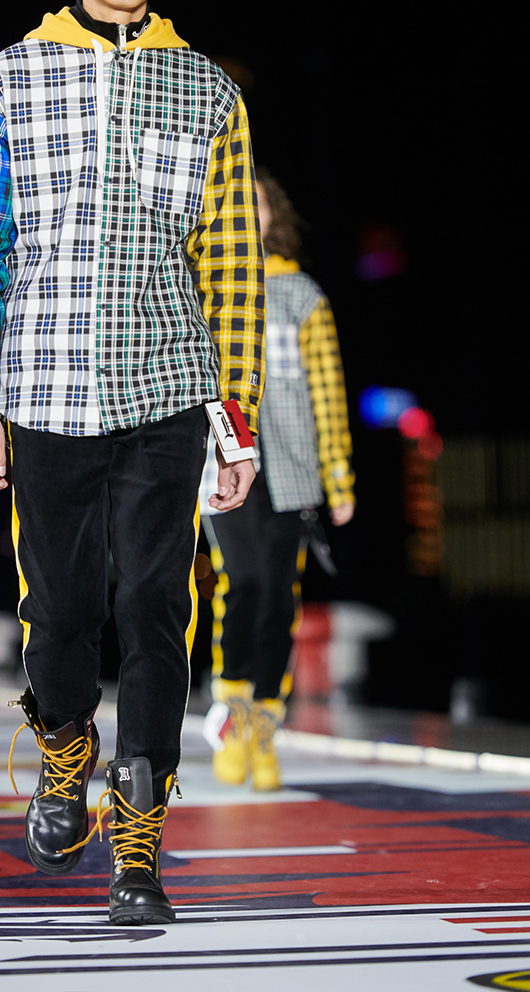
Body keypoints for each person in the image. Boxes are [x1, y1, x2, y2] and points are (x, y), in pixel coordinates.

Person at [0, 0, 265, 925]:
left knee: (156, 609)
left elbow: (231, 266)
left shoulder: (207, 91)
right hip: (42, 388)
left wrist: (236, 422)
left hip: (167, 386)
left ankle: (138, 845)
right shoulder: (5, 79)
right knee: (61, 609)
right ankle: (63, 749)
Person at [200, 168, 355, 791]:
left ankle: (265, 724)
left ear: (274, 214)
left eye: (257, 203)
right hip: (225, 457)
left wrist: (339, 479)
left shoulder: (302, 295)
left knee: (278, 597)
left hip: (293, 464)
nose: (249, 212)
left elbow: (328, 391)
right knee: (243, 581)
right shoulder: (204, 284)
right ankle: (232, 710)